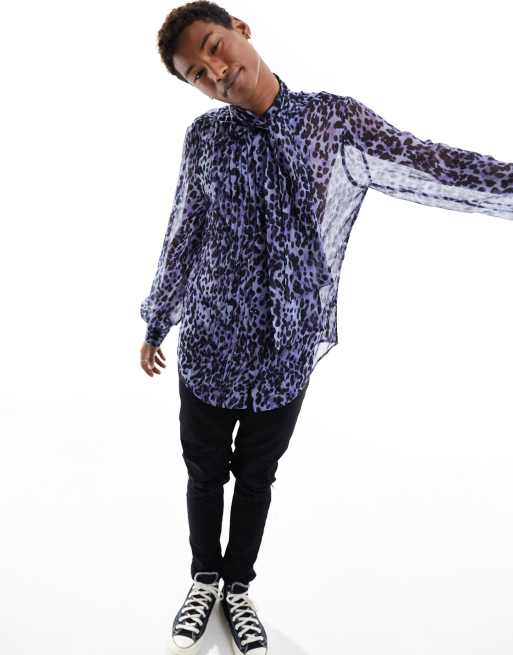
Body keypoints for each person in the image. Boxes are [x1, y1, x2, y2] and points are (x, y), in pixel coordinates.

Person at [139, 3, 513, 653]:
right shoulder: (205, 139)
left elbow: (428, 163)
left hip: (285, 351)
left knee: (257, 476)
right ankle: (203, 579)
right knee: (204, 471)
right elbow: (184, 232)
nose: (215, 71)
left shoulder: (331, 122)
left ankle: (237, 588)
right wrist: (157, 319)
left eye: (214, 47)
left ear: (240, 30)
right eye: (196, 73)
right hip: (208, 342)